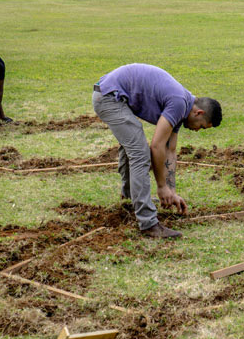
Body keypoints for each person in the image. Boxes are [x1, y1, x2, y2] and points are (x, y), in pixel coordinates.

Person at [92, 64, 222, 239]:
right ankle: (148, 223)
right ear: (199, 113)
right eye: (201, 127)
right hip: (109, 97)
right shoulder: (179, 102)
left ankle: (131, 197)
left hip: (111, 94)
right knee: (140, 153)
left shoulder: (183, 106)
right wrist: (161, 187)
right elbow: (156, 146)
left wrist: (171, 190)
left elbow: (170, 150)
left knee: (134, 145)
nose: (197, 130)